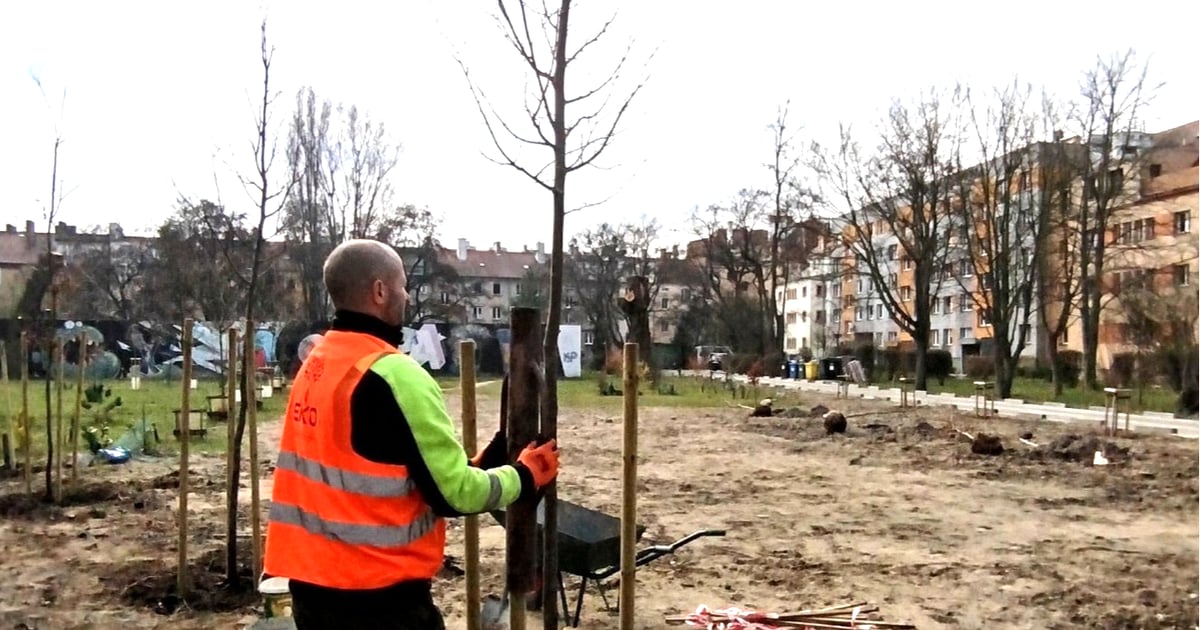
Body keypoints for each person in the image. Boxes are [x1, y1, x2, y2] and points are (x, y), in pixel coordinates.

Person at [263, 239, 560, 630]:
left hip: (313, 591)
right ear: (380, 291)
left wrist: (482, 463)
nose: (406, 296)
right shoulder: (396, 375)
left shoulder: (319, 364)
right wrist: (524, 476)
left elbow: (367, 465)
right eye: (402, 286)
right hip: (380, 599)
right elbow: (454, 496)